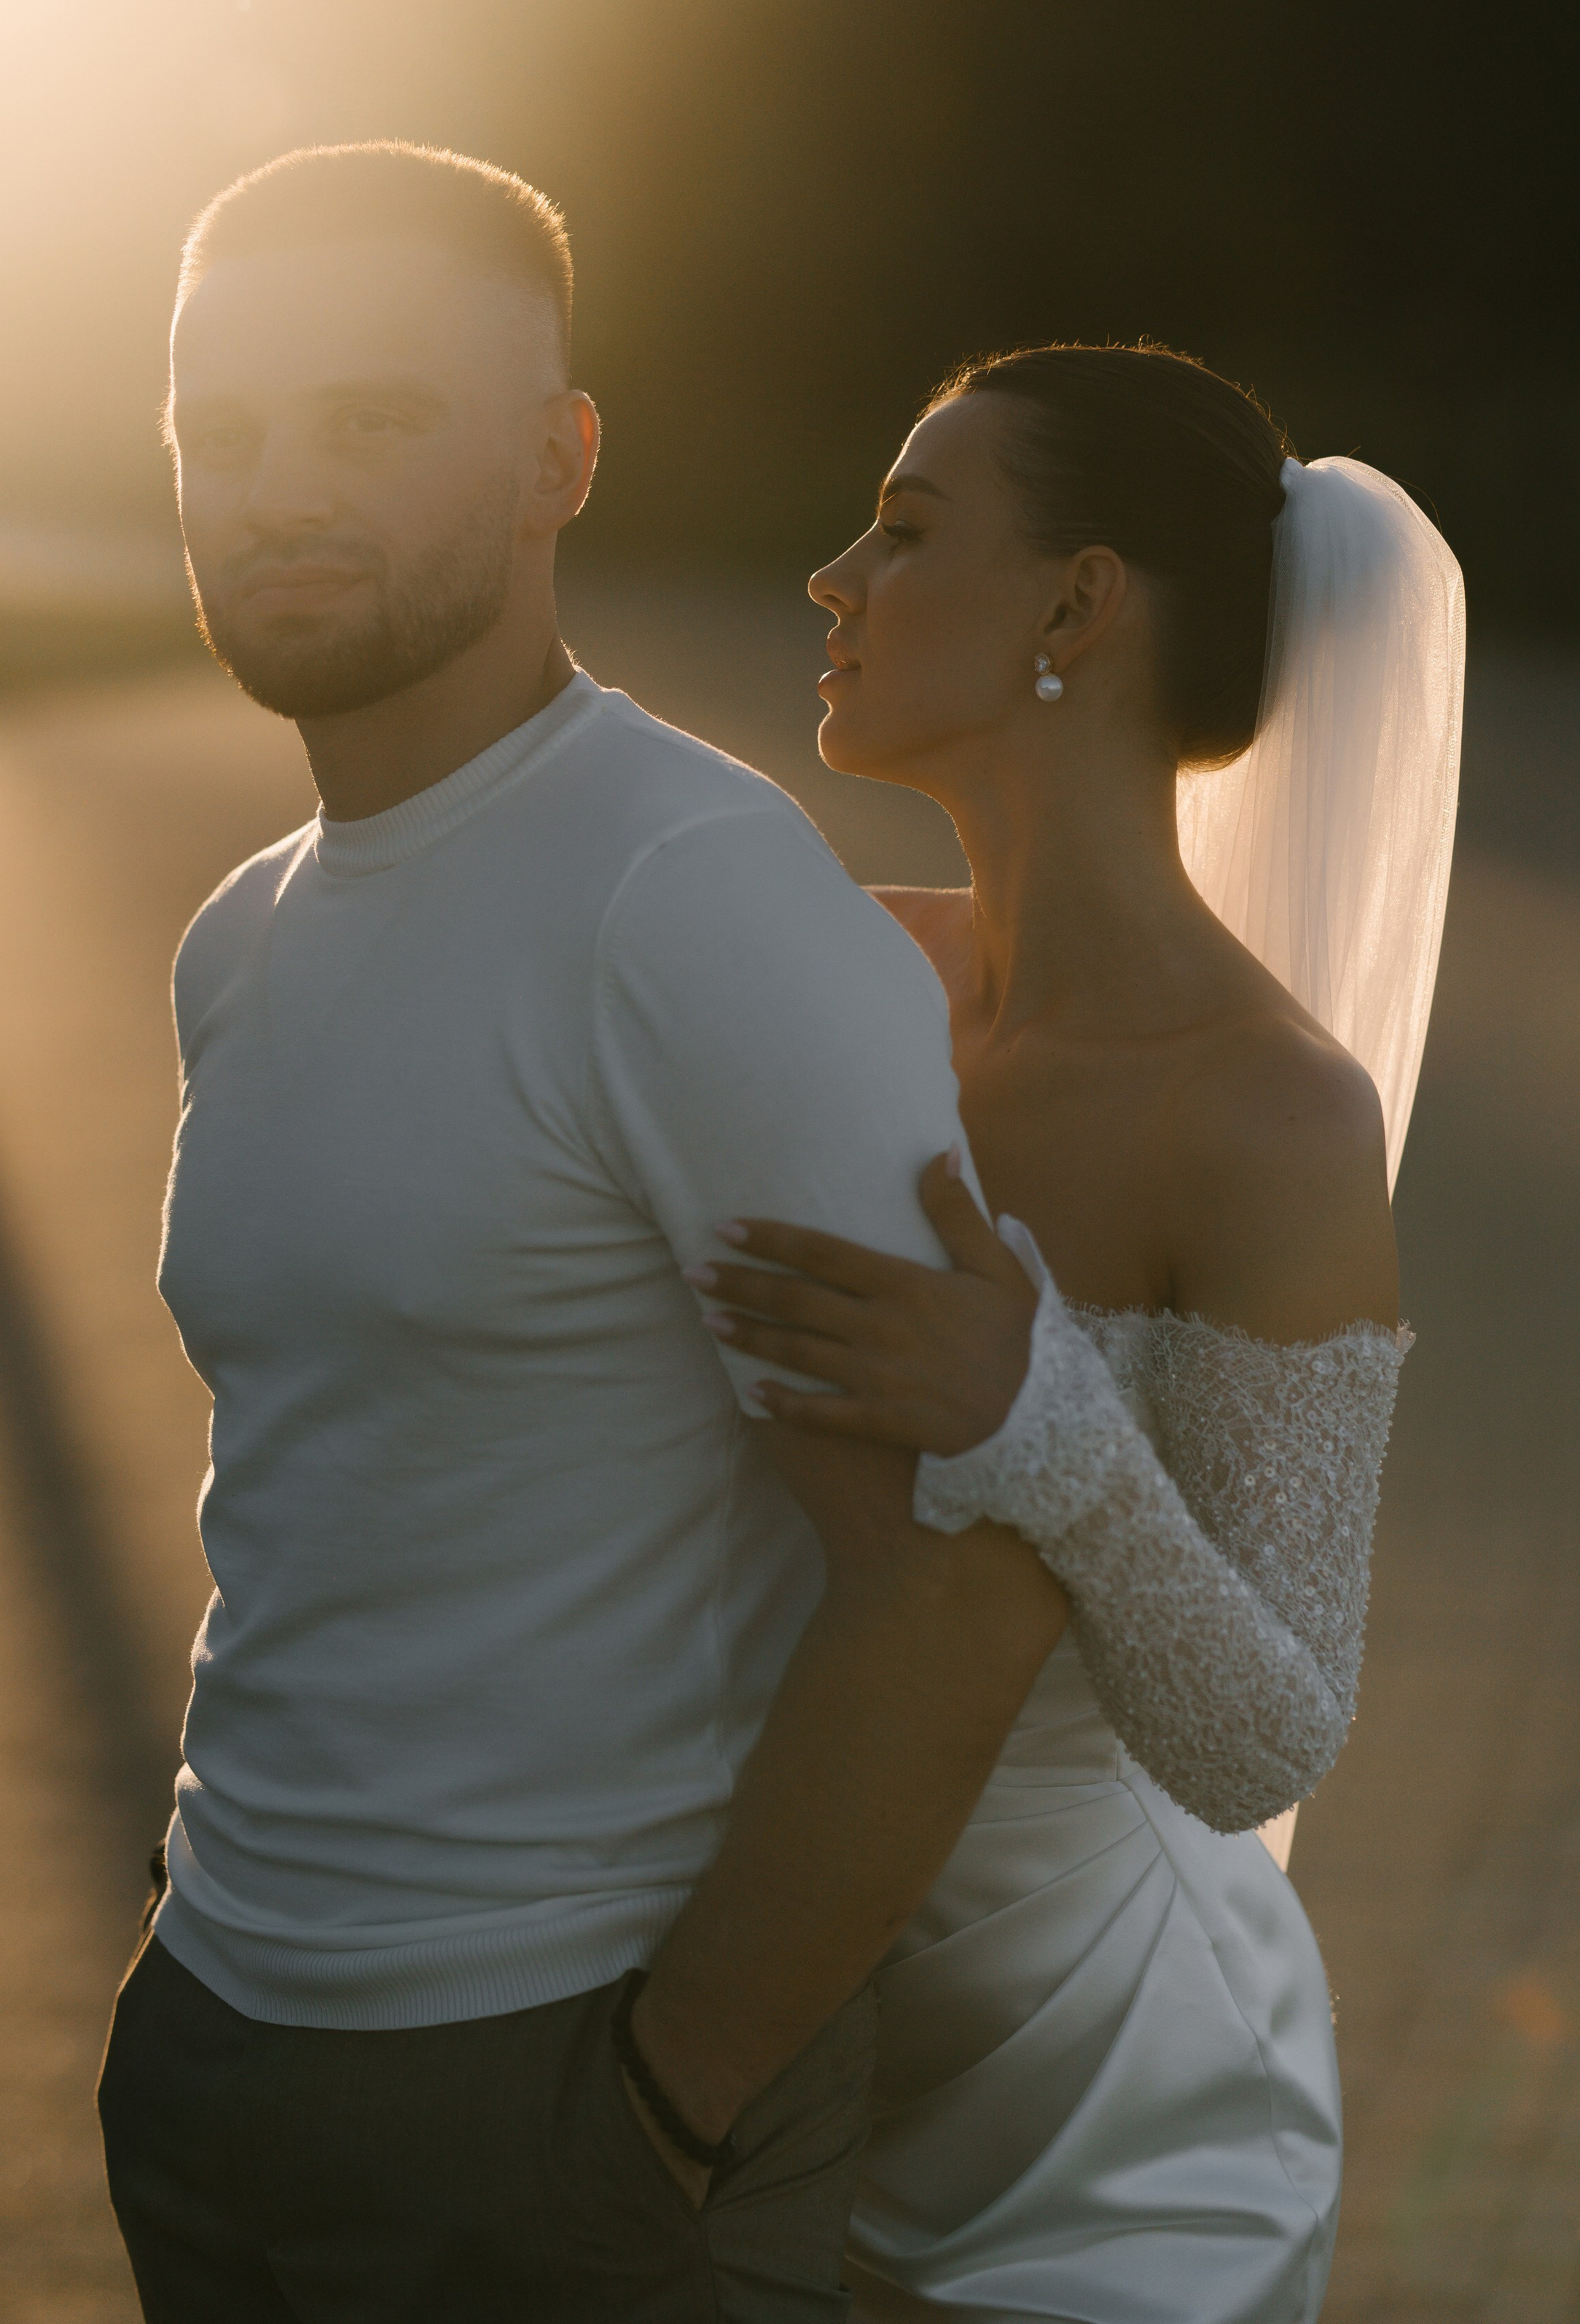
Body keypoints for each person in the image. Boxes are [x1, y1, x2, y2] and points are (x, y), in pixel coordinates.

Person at [95, 142, 1068, 2321]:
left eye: (374, 418)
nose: (279, 489)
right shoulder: (242, 935)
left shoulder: (686, 895)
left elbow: (963, 1576)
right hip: (219, 2034)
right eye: (223, 430)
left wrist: (666, 2101)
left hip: (558, 2089)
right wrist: (203, 1924)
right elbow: (336, 1466)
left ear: (559, 460)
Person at [686, 344, 1465, 2321]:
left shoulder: (1271, 1114)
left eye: (906, 528)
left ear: (1077, 606)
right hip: (775, 2002)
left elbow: (1264, 1735)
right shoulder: (844, 968)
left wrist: (1040, 1423)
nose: (834, 578)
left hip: (1113, 2111)